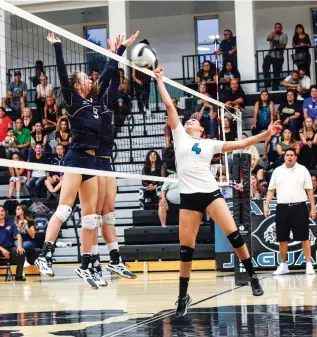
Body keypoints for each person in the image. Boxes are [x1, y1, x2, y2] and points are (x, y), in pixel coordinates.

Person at [155, 66, 282, 318]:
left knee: (234, 236)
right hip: (189, 198)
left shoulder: (210, 143)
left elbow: (243, 143)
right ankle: (182, 296)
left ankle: (253, 277)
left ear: (201, 129)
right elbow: (170, 107)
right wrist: (160, 81)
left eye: (194, 121)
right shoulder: (180, 135)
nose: (190, 121)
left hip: (211, 194)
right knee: (186, 250)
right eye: (188, 119)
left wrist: (266, 133)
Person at [35, 31, 139, 290]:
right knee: (65, 208)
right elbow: (62, 74)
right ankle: (44, 255)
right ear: (77, 85)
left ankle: (87, 265)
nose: (88, 79)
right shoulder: (72, 101)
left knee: (92, 218)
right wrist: (58, 47)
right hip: (76, 158)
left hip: (94, 162)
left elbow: (108, 71)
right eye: (83, 78)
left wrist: (121, 50)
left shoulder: (95, 101)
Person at [94, 36, 139, 285]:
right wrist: (118, 51)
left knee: (108, 216)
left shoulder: (109, 105)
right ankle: (90, 262)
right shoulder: (90, 104)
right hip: (92, 163)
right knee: (94, 216)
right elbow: (105, 79)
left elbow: (111, 81)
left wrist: (118, 53)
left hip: (107, 163)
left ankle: (114, 258)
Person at [265, 148, 315, 275]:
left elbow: (309, 190)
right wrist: (266, 206)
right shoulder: (277, 171)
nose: (289, 157)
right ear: (284, 157)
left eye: (292, 155)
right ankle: (283, 265)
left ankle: (309, 264)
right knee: (282, 238)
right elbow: (271, 190)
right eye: (287, 155)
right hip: (282, 207)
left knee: (304, 237)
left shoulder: (303, 170)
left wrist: (313, 208)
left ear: (295, 157)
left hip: (299, 206)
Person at [0, 205, 25, 283]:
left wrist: (19, 246)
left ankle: (18, 276)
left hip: (10, 248)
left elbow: (18, 235)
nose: (1, 212)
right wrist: (3, 250)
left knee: (21, 252)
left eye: (2, 211)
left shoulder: (10, 223)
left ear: (5, 212)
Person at [262, 23, 288, 90]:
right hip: (270, 54)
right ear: (274, 28)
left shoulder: (284, 35)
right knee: (265, 66)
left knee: (276, 72)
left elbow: (284, 46)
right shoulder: (272, 34)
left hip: (279, 57)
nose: (277, 28)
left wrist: (277, 47)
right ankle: (267, 81)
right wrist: (271, 36)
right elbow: (268, 39)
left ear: (281, 28)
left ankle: (275, 86)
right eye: (276, 27)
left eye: (279, 27)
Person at [132, 39, 152, 117]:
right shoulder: (135, 58)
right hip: (137, 82)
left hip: (146, 81)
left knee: (146, 96)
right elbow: (133, 74)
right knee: (139, 97)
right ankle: (141, 112)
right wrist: (137, 80)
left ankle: (147, 109)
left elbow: (151, 69)